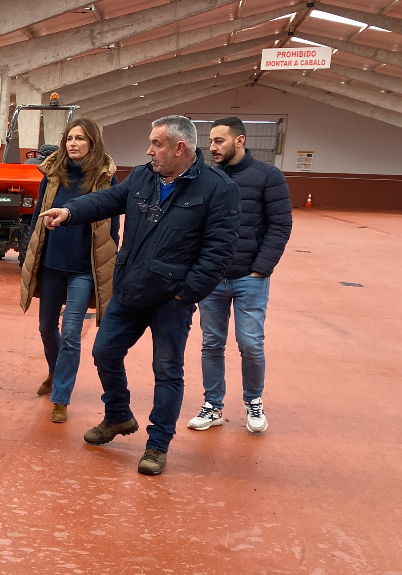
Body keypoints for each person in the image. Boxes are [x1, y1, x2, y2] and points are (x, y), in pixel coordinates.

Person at [37, 115, 239, 476]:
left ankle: (158, 444)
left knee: (167, 370)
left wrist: (184, 295)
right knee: (104, 351)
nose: (149, 150)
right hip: (131, 287)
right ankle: (117, 415)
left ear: (180, 148)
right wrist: (69, 211)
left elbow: (218, 253)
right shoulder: (145, 176)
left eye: (156, 144)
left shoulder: (216, 188)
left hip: (171, 300)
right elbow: (107, 200)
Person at [187, 117, 292, 433]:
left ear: (240, 140)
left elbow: (280, 224)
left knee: (250, 343)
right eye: (211, 141)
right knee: (211, 343)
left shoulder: (268, 176)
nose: (212, 147)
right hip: (212, 277)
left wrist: (261, 268)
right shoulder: (206, 177)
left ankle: (253, 401)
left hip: (250, 277)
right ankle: (213, 405)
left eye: (219, 141)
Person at [19, 118, 120, 423]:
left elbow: (112, 229)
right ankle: (54, 370)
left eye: (81, 139)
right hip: (51, 265)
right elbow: (37, 217)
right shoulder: (51, 177)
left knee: (72, 334)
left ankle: (61, 396)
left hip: (83, 270)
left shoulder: (104, 180)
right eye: (69, 138)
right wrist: (30, 254)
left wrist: (109, 266)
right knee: (46, 327)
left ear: (93, 144)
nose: (73, 144)